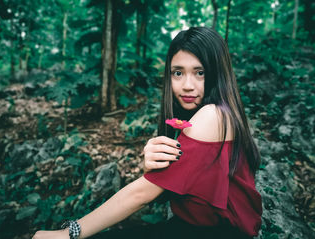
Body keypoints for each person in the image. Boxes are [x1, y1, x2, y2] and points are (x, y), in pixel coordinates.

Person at [33, 27, 262, 239]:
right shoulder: (210, 115)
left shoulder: (213, 116)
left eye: (200, 72)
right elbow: (164, 191)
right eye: (178, 73)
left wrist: (70, 233)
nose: (187, 85)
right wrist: (151, 169)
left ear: (217, 74)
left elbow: (143, 194)